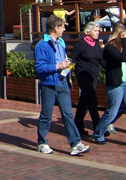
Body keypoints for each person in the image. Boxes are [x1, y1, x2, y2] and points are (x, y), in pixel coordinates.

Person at [34, 15, 90, 156]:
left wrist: (67, 64)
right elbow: (39, 67)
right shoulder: (42, 45)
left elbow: (62, 58)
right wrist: (58, 66)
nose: (65, 29)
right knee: (46, 114)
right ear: (55, 28)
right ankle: (42, 142)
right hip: (49, 83)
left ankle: (75, 143)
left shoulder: (61, 42)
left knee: (68, 114)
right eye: (63, 27)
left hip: (63, 81)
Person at [72, 21, 104, 137]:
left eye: (98, 31)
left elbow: (102, 61)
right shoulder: (81, 44)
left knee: (84, 101)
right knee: (92, 100)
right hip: (83, 75)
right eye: (95, 31)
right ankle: (98, 128)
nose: (97, 33)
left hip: (94, 76)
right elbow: (73, 58)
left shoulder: (96, 44)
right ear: (88, 31)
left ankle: (77, 125)